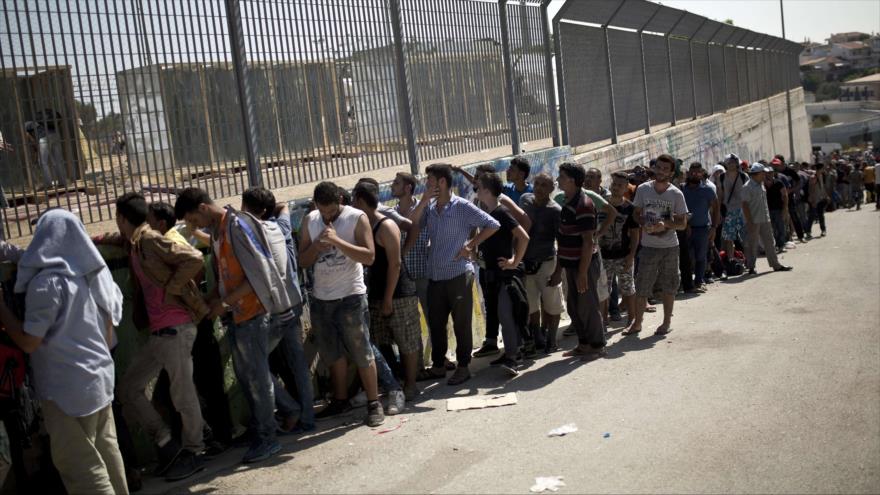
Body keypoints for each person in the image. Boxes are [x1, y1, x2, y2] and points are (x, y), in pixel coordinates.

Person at [0, 209, 127, 494]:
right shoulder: (88, 276)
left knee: (81, 467)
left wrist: (3, 310)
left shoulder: (46, 284)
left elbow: (29, 342)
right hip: (99, 379)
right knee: (107, 452)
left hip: (65, 389)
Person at [92, 193, 210, 482]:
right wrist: (94, 239)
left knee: (182, 396)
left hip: (176, 327)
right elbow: (119, 239)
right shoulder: (134, 242)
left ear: (122, 218)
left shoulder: (149, 240)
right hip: (160, 332)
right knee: (129, 388)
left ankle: (195, 451)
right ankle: (167, 441)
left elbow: (194, 258)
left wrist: (172, 287)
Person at [174, 187, 293, 463]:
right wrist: (209, 299)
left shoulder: (237, 226)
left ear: (203, 208)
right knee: (249, 376)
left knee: (258, 379)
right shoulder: (218, 232)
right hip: (238, 316)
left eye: (193, 220)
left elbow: (258, 276)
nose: (194, 227)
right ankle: (268, 426)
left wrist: (223, 303)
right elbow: (226, 278)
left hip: (253, 313)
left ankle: (267, 438)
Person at [298, 182, 386, 426]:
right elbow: (303, 261)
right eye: (322, 211)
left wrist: (338, 241)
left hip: (351, 297)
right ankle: (340, 399)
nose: (327, 216)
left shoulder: (356, 218)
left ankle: (373, 402)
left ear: (339, 200)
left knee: (361, 351)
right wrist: (316, 246)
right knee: (332, 352)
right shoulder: (310, 220)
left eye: (331, 210)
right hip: (321, 299)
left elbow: (369, 257)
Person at [407, 164, 500, 385]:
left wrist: (471, 245)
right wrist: (423, 200)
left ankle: (463, 366)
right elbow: (411, 224)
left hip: (458, 275)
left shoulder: (461, 206)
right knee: (436, 323)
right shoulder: (428, 208)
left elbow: (493, 224)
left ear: (442, 182)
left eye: (430, 180)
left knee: (461, 324)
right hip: (435, 276)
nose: (427, 184)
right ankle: (438, 365)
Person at [239, 187, 315, 434]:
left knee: (254, 363)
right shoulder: (280, 228)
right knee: (297, 364)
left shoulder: (254, 233)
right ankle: (307, 416)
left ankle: (287, 408)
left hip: (275, 310)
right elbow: (284, 206)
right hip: (294, 302)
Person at [352, 181, 421, 401]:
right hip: (376, 294)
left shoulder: (386, 225)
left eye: (354, 200)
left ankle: (410, 385)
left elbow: (395, 264)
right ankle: (394, 383)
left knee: (406, 341)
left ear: (361, 201)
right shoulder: (364, 226)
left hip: (398, 294)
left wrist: (388, 298)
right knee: (382, 342)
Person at [624, 154, 689, 337]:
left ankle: (666, 322)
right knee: (642, 285)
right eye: (658, 167)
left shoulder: (676, 193)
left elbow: (682, 223)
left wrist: (665, 225)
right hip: (648, 246)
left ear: (671, 172)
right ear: (654, 168)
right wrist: (642, 221)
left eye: (665, 169)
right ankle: (637, 323)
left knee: (669, 286)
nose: (661, 171)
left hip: (670, 247)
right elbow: (636, 214)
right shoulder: (643, 189)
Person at [475, 172, 529, 376]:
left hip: (505, 275)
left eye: (478, 187)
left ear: (487, 191)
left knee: (507, 316)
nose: (476, 191)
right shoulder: (489, 212)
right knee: (503, 314)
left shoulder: (502, 212)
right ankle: (512, 351)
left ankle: (513, 359)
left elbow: (524, 237)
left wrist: (514, 262)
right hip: (493, 275)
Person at [551, 162, 606, 359]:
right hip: (570, 265)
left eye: (562, 176)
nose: (558, 179)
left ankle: (597, 345)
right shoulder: (567, 202)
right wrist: (559, 270)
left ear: (572, 180)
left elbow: (587, 241)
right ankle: (583, 344)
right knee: (574, 307)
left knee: (588, 306)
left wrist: (582, 273)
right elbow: (563, 239)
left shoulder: (583, 204)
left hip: (584, 265)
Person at [520, 173, 565, 354]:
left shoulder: (555, 210)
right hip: (527, 263)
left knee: (552, 304)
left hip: (547, 263)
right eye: (536, 184)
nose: (539, 188)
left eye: (544, 185)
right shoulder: (525, 202)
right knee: (531, 305)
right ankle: (537, 336)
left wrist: (558, 272)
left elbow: (562, 242)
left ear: (551, 189)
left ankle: (552, 339)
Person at [599, 171, 640, 323]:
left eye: (620, 185)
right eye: (614, 184)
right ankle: (602, 322)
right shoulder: (601, 204)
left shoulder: (630, 208)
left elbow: (635, 234)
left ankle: (632, 319)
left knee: (628, 288)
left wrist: (631, 256)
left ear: (625, 189)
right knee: (603, 290)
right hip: (603, 256)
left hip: (623, 255)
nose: (616, 187)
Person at [741, 164, 793, 274]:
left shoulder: (761, 184)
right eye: (763, 173)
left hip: (765, 218)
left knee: (770, 242)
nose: (765, 174)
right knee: (752, 244)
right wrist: (749, 221)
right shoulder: (747, 187)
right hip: (753, 220)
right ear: (757, 174)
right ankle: (751, 267)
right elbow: (744, 205)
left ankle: (776, 264)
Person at [681, 163, 720, 292]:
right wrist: (685, 225)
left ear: (702, 173)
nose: (694, 175)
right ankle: (686, 283)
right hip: (685, 229)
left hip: (703, 228)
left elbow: (716, 208)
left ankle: (699, 281)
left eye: (698, 172)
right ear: (688, 173)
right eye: (692, 172)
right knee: (686, 257)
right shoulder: (681, 190)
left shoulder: (708, 190)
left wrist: (714, 227)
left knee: (701, 257)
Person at [717, 154, 749, 263]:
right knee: (729, 237)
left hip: (743, 210)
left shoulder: (744, 176)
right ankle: (731, 259)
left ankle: (749, 260)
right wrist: (719, 212)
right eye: (729, 162)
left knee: (746, 236)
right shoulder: (721, 177)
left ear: (737, 163)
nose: (731, 164)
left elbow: (749, 195)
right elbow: (720, 196)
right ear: (726, 164)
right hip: (729, 211)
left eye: (733, 162)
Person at [765, 159, 790, 253]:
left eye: (771, 173)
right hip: (767, 210)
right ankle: (775, 245)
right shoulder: (762, 184)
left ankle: (781, 245)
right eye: (767, 173)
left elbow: (785, 196)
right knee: (772, 229)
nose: (769, 174)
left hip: (778, 209)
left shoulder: (779, 183)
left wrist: (785, 208)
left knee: (781, 227)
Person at [805, 165, 828, 239]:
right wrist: (812, 200)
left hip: (820, 198)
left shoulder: (821, 176)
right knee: (811, 216)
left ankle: (823, 230)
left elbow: (822, 187)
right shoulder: (813, 177)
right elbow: (810, 189)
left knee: (821, 215)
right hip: (814, 200)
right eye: (822, 169)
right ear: (819, 169)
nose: (823, 170)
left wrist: (825, 195)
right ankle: (808, 232)